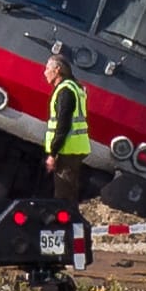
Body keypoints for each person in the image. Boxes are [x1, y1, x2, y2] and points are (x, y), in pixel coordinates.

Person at [43, 54, 89, 204]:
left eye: (47, 68)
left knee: (63, 196)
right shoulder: (73, 87)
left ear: (57, 70)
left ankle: (65, 224)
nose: (45, 72)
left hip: (68, 150)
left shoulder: (65, 91)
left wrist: (53, 153)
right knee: (68, 191)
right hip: (74, 148)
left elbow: (63, 124)